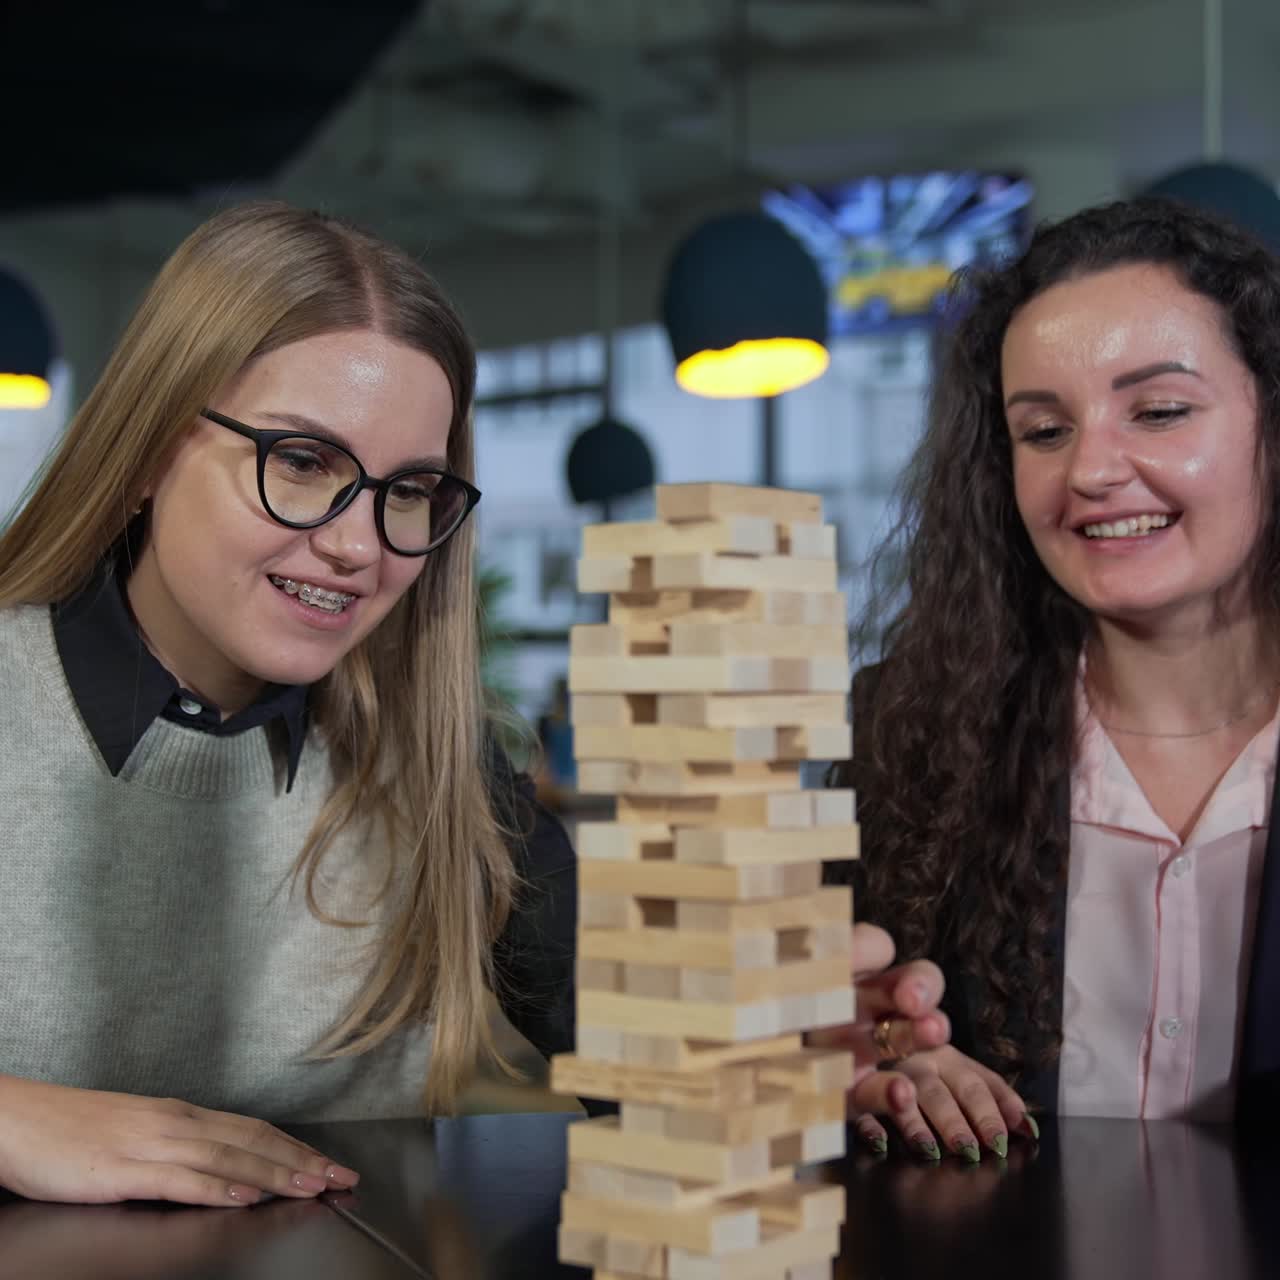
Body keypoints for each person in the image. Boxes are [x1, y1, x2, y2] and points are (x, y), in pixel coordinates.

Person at [0, 200, 945, 1208]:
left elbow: (616, 1017)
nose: (359, 544)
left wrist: (781, 1037)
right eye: (303, 462)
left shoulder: (435, 763)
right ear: (148, 449)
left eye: (407, 490)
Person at [832, 195, 1280, 1159]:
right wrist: (876, 1064)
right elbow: (830, 1035)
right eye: (1043, 431)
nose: (1091, 471)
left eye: (1158, 411)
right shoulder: (904, 736)